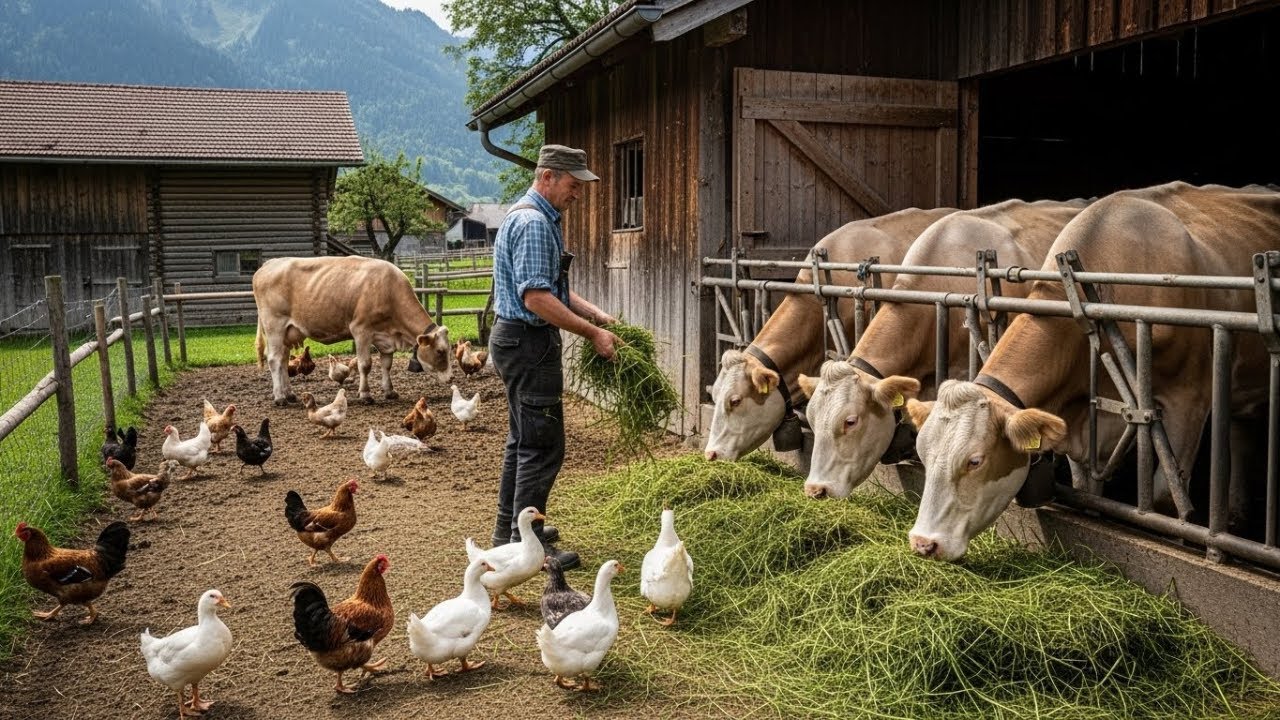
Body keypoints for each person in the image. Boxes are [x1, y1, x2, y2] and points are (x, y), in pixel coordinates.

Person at [488, 144, 621, 571]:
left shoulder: (529, 217)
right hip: (529, 343)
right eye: (572, 182)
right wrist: (592, 333)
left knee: (523, 442)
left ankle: (510, 535)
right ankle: (529, 550)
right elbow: (536, 298)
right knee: (542, 447)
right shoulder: (532, 223)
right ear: (547, 177)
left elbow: (551, 288)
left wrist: (596, 314)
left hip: (516, 340)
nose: (578, 192)